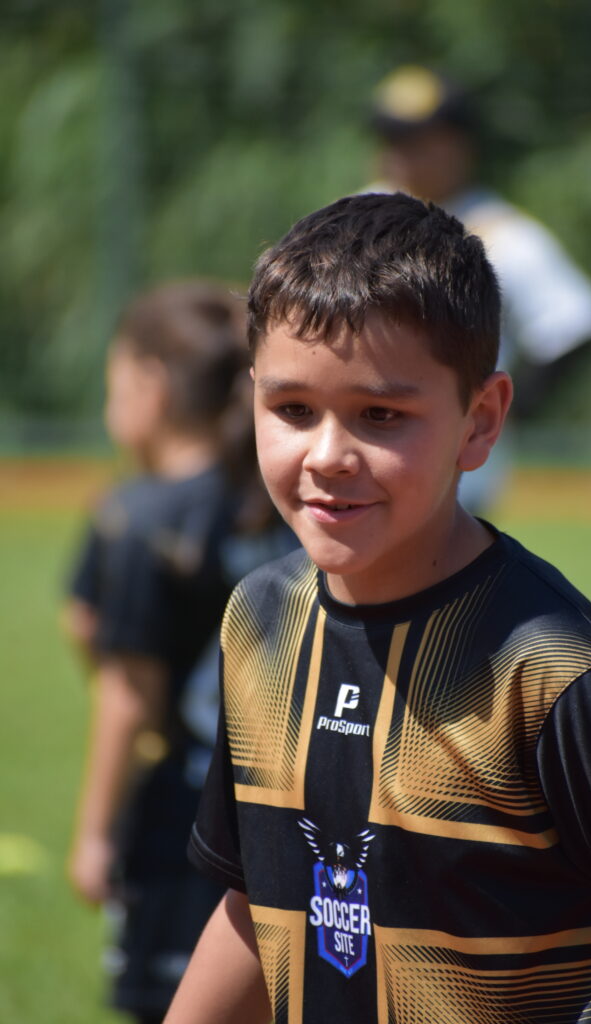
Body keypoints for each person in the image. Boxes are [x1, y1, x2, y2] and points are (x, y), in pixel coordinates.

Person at [164, 194, 591, 1024]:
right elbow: (257, 898)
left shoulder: (549, 669)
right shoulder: (259, 621)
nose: (328, 455)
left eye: (380, 415)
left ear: (480, 422)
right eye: (292, 409)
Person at [63, 280, 293, 1024]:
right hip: (284, 803)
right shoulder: (279, 500)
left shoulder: (138, 514)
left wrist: (95, 835)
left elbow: (127, 692)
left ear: (151, 384)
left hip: (183, 816)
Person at [366, 64, 591, 512]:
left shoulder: (504, 233)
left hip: (455, 461)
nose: (404, 154)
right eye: (393, 139)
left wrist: (507, 409)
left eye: (420, 141)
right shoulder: (355, 215)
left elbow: (577, 323)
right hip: (357, 442)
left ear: (462, 146)